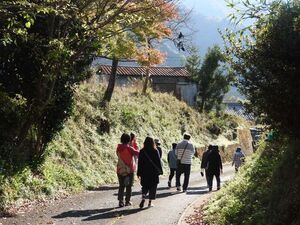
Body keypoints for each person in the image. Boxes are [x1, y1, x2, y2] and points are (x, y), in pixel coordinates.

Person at [137, 136, 163, 208]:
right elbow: (158, 162)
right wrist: (160, 171)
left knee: (145, 186)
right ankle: (149, 202)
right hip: (153, 173)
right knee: (153, 186)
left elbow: (139, 163)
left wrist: (138, 173)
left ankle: (143, 196)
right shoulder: (155, 151)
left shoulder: (142, 151)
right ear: (153, 143)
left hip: (144, 172)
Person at [116, 133, 139, 207]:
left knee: (121, 186)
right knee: (129, 186)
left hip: (120, 169)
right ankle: (127, 201)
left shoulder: (118, 148)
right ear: (129, 140)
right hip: (129, 170)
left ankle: (120, 201)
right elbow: (138, 153)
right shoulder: (130, 149)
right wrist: (135, 144)